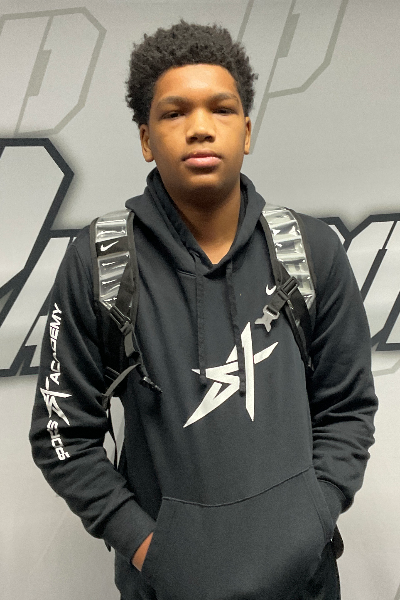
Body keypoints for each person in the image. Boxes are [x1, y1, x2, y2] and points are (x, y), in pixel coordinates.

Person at [30, 20, 377, 600]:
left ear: (247, 131)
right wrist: (151, 548)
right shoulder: (100, 262)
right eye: (174, 113)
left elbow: (348, 409)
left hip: (306, 584)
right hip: (166, 588)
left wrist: (314, 516)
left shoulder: (311, 251)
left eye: (221, 108)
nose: (199, 127)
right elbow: (62, 436)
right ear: (146, 139)